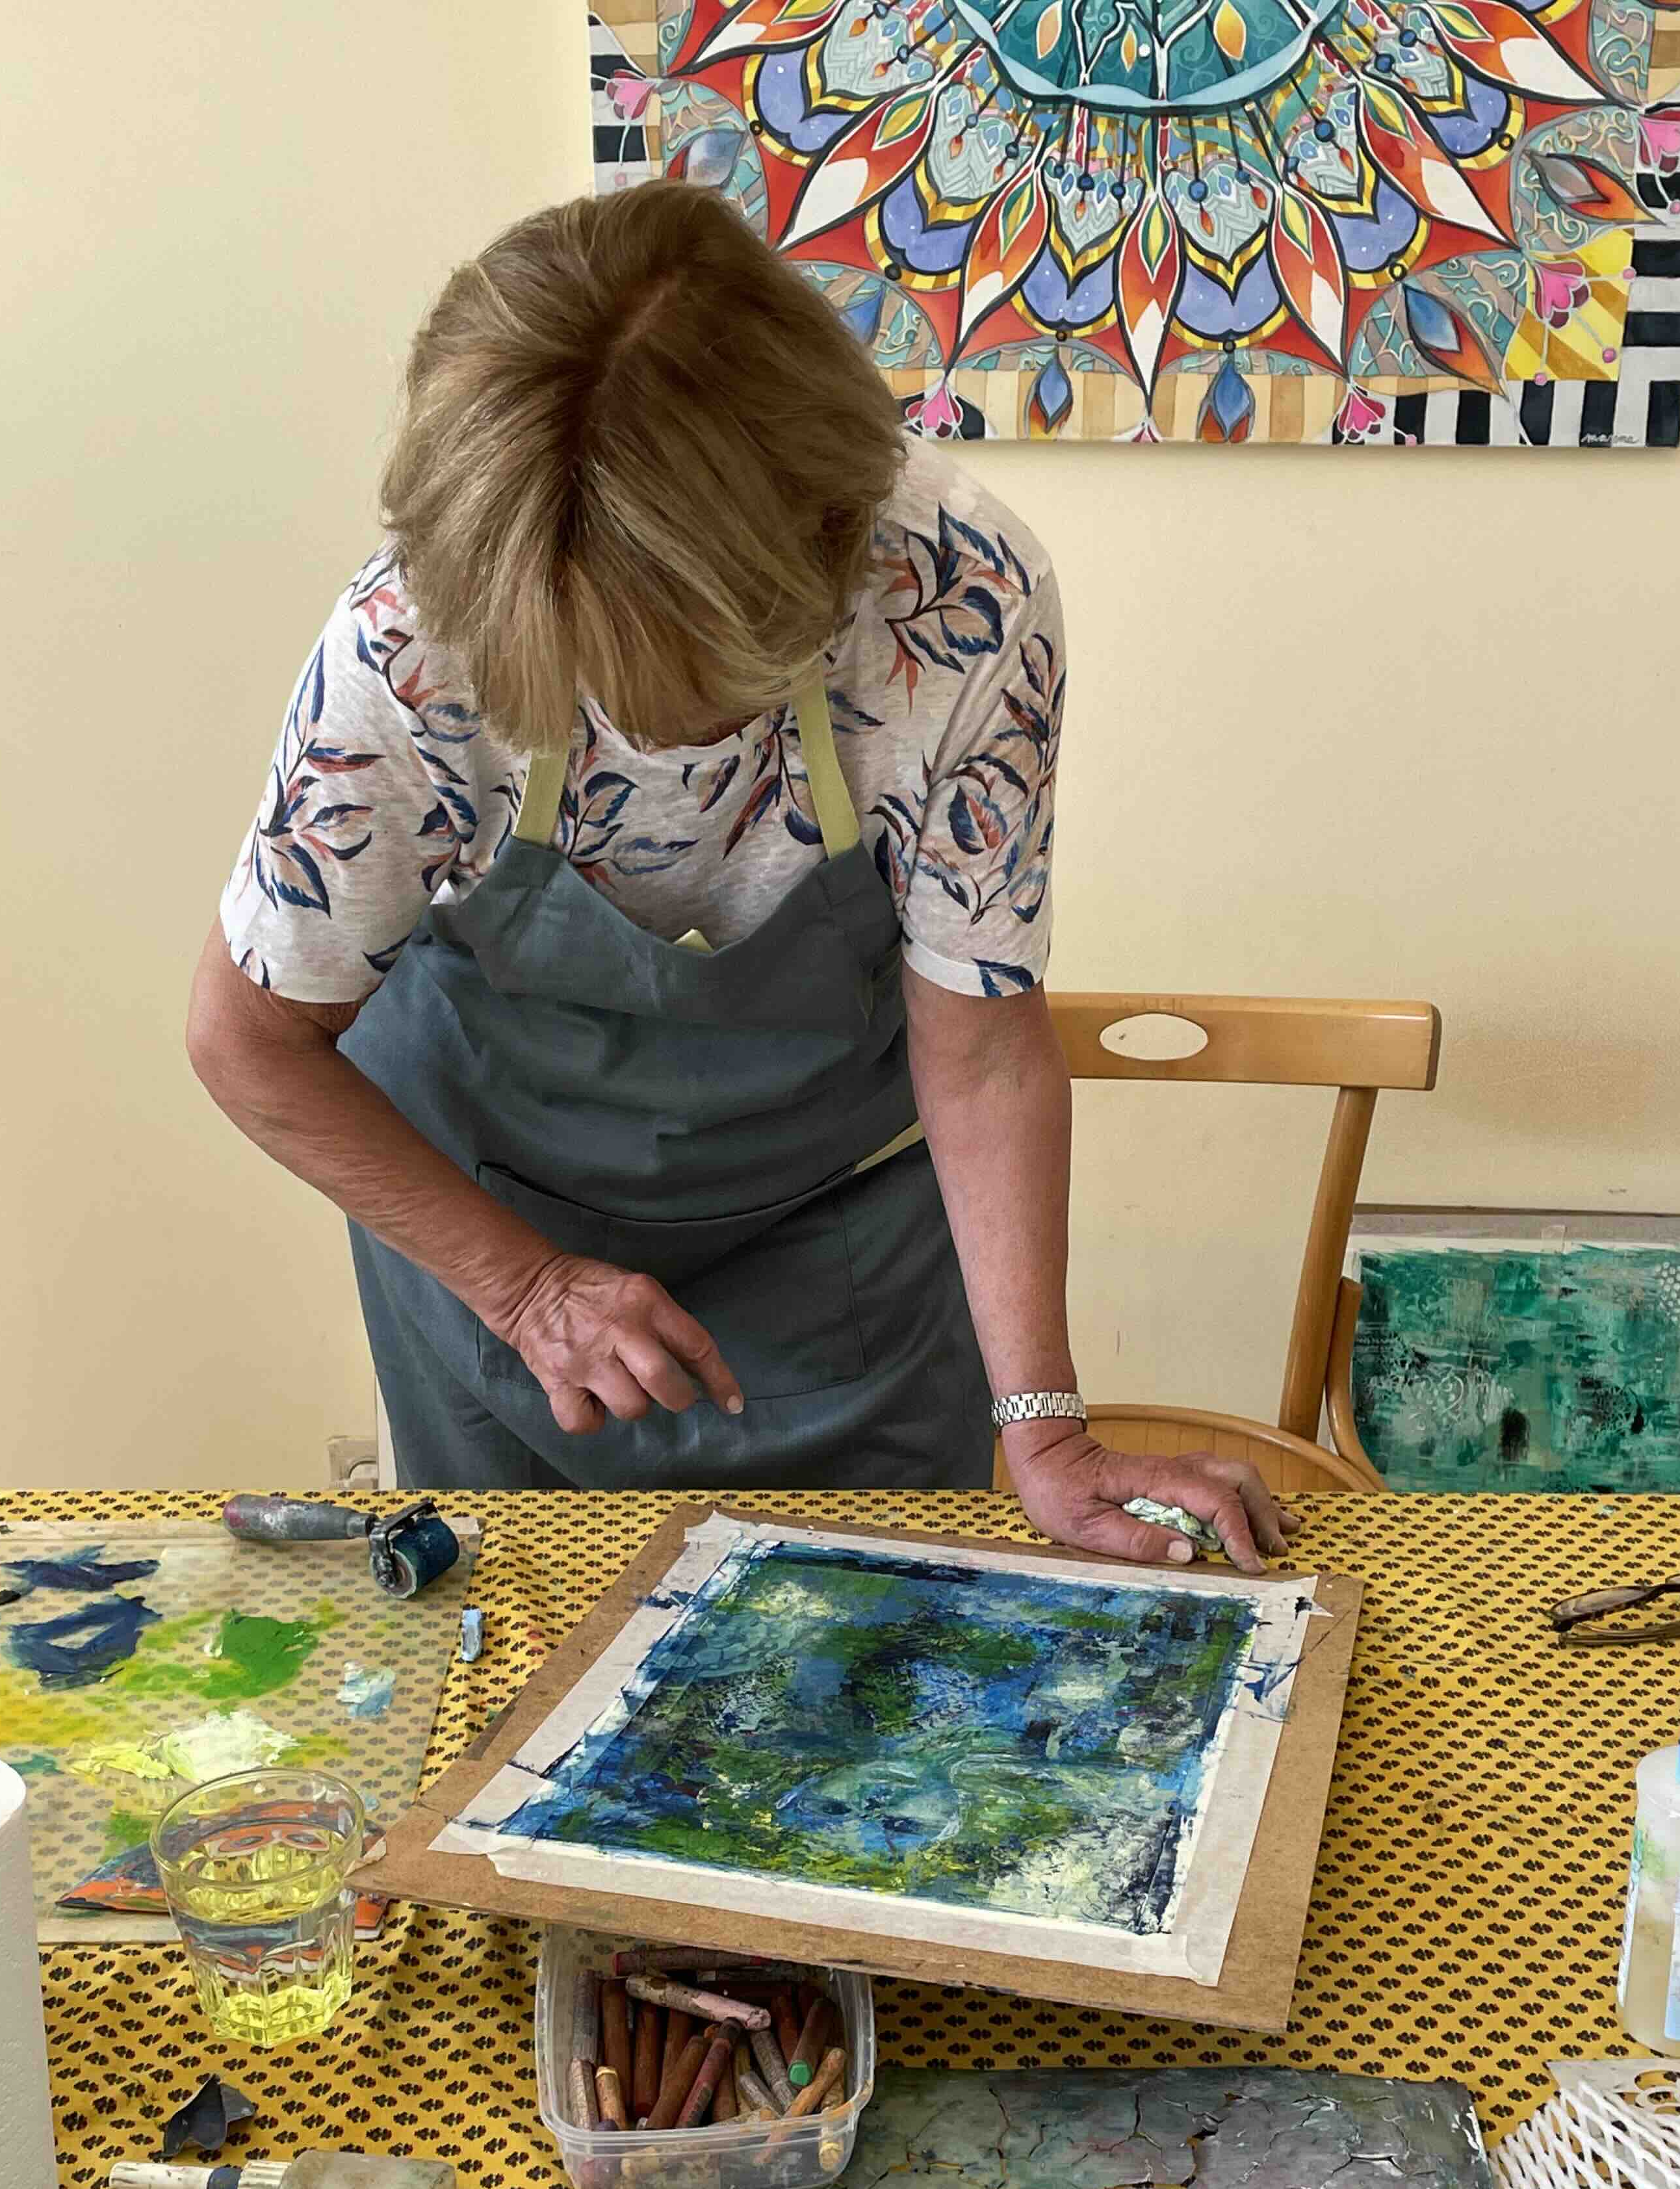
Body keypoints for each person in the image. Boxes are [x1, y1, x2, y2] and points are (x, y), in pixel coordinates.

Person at [187, 183, 1288, 1571]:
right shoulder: (409, 650)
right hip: (496, 1235)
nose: (647, 735)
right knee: (523, 1700)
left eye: (694, 688)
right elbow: (247, 1042)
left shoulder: (955, 596)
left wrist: (1049, 1431)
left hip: (843, 1238)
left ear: (824, 559)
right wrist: (523, 1289)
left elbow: (988, 1048)